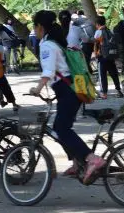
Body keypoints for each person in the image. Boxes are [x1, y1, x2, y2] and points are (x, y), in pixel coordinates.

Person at [29, 10, 106, 183]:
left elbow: (48, 71)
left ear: (40, 27)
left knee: (61, 129)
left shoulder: (47, 45)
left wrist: (38, 88)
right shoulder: (56, 42)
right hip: (69, 89)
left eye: (35, 26)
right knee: (62, 128)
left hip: (67, 90)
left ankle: (91, 159)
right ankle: (78, 162)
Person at [93, 16, 123, 99]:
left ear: (97, 24)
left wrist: (95, 54)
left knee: (102, 75)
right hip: (111, 56)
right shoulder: (109, 30)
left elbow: (96, 43)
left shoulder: (98, 32)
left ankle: (104, 93)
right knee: (114, 74)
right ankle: (119, 91)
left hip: (102, 56)